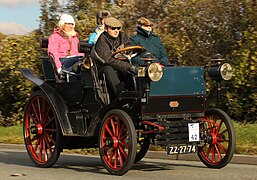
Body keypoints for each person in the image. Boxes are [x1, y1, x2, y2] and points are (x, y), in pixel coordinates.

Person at [91, 17, 138, 99]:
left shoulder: (123, 36)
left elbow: (129, 48)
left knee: (138, 68)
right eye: (113, 28)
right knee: (108, 69)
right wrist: (127, 67)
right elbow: (107, 60)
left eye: (118, 28)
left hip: (120, 64)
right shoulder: (102, 41)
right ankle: (121, 95)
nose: (116, 30)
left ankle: (139, 94)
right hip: (102, 68)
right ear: (105, 29)